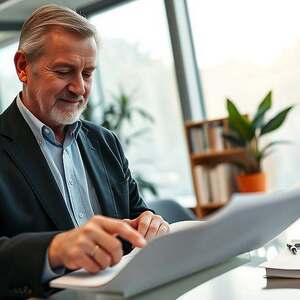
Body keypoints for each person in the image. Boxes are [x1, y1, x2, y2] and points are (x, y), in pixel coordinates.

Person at [0, 4, 170, 298]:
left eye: (88, 73)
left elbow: (135, 213)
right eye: (64, 71)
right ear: (23, 67)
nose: (79, 88)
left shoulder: (105, 142)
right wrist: (54, 250)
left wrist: (149, 222)